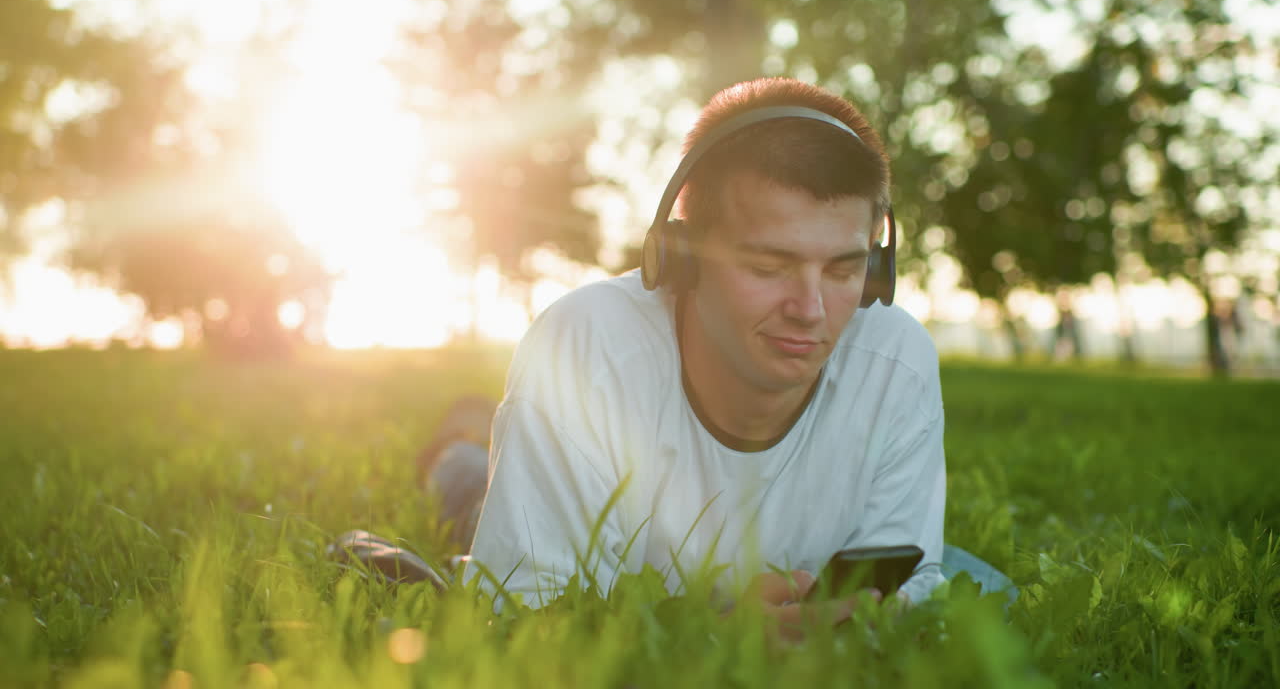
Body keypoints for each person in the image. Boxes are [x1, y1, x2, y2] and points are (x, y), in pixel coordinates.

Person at [337, 77, 1013, 636]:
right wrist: (707, 635)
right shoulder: (584, 349)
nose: (810, 309)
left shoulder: (895, 356)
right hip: (571, 494)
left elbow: (911, 580)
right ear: (681, 257)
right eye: (769, 265)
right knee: (474, 496)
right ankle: (458, 448)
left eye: (843, 269)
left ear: (877, 268)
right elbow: (524, 608)